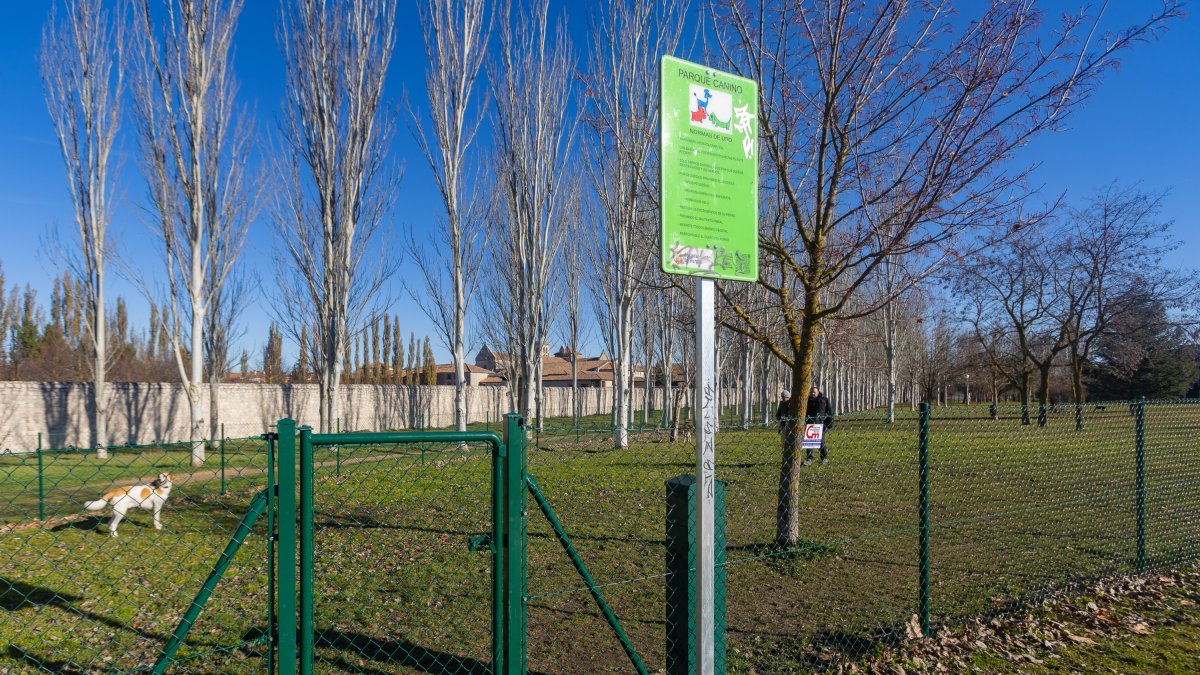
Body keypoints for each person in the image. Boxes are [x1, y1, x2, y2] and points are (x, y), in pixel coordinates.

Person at [804, 386, 834, 465]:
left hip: (821, 424)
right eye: (811, 392)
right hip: (810, 423)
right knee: (809, 442)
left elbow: (830, 411)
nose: (813, 393)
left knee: (821, 442)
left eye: (814, 392)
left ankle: (824, 458)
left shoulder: (824, 400)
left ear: (818, 392)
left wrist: (830, 422)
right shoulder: (807, 400)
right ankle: (809, 459)